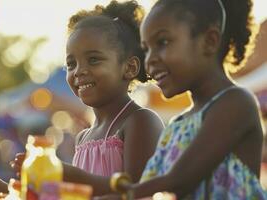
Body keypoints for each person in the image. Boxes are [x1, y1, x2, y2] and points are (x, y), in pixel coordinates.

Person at [89, 0, 267, 199]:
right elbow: (148, 184)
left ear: (209, 41)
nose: (150, 60)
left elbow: (181, 179)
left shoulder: (236, 103)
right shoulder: (176, 126)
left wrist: (125, 194)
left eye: (162, 42)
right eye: (146, 49)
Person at [11, 0, 164, 185]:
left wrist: (63, 172)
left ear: (129, 67)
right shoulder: (84, 137)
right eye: (71, 64)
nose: (78, 71)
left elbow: (137, 191)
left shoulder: (140, 121)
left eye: (93, 60)